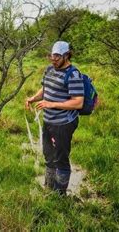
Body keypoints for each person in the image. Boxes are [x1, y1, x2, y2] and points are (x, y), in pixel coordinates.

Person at [25, 41, 84, 195]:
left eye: (57, 57)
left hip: (64, 123)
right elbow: (45, 89)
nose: (54, 60)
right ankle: (49, 187)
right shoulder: (50, 69)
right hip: (49, 121)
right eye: (52, 56)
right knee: (48, 155)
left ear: (67, 55)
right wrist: (33, 98)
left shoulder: (73, 74)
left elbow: (78, 102)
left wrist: (52, 104)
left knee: (61, 159)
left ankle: (59, 195)